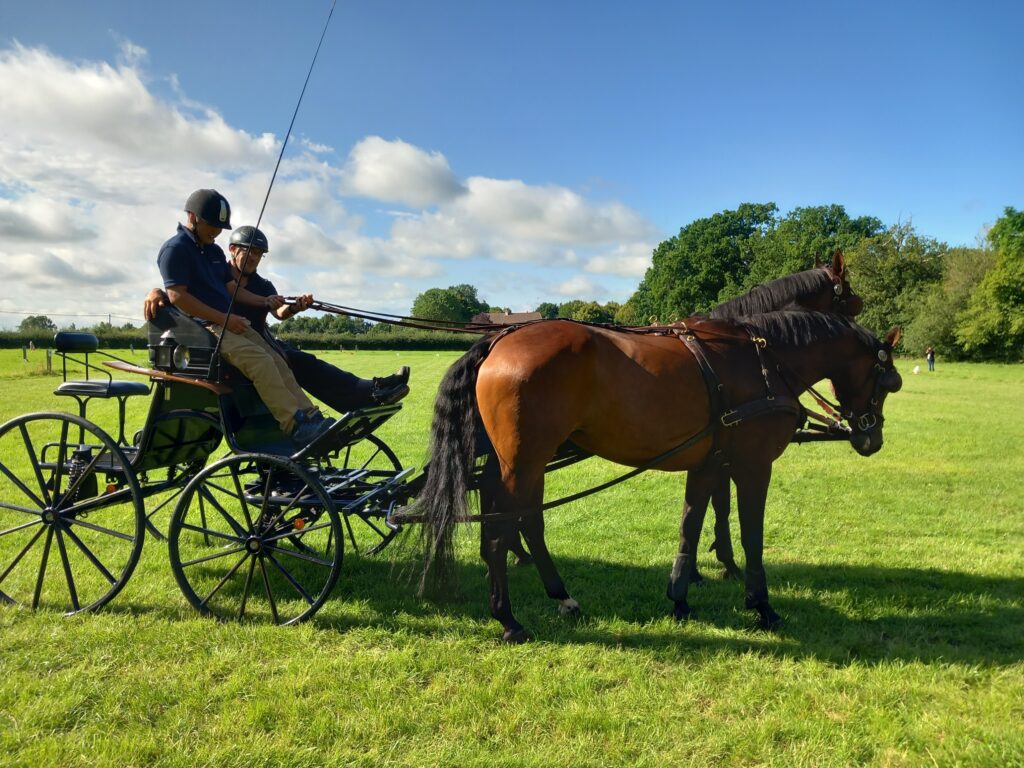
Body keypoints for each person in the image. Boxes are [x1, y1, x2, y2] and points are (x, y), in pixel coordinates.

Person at [145, 224, 410, 412]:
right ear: (233, 250)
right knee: (297, 362)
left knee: (306, 361)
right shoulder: (215, 274)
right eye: (249, 251)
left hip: (264, 341)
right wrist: (155, 290)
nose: (254, 258)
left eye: (259, 254)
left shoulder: (262, 285)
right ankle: (354, 398)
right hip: (233, 348)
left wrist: (297, 307)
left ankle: (366, 391)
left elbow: (279, 313)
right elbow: (182, 292)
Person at [156, 189, 333, 449]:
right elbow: (177, 297)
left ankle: (311, 418)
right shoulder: (175, 249)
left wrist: (264, 301)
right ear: (192, 217)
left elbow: (232, 290)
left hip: (228, 324)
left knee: (277, 360)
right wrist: (224, 319)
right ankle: (293, 425)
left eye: (220, 227)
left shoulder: (214, 252)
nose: (216, 232)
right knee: (261, 362)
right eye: (212, 225)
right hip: (205, 330)